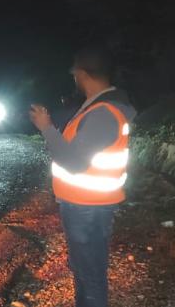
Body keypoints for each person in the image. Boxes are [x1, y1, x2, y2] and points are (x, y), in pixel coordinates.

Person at [28, 46, 136, 307]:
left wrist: (46, 129)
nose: (73, 78)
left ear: (83, 74)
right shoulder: (96, 107)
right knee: (84, 269)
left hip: (88, 207)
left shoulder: (103, 114)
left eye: (74, 73)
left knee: (90, 274)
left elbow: (73, 162)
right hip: (85, 205)